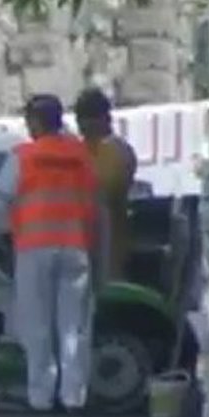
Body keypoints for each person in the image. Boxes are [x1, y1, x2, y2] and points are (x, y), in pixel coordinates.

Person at [0, 94, 101, 413]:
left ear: (36, 122)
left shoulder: (24, 156)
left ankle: (41, 397)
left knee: (36, 324)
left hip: (35, 248)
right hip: (75, 247)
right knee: (74, 327)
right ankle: (73, 397)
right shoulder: (81, 156)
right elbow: (94, 205)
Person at [74, 87, 137, 282]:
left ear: (103, 119)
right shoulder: (81, 150)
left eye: (86, 119)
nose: (81, 126)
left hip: (107, 235)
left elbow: (110, 189)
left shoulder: (115, 151)